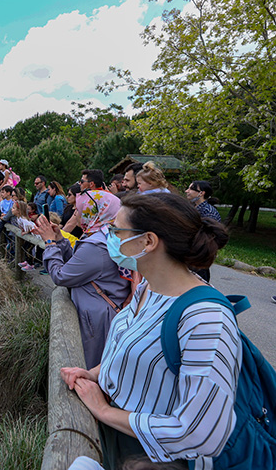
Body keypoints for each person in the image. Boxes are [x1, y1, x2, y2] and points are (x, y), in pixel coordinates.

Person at [62, 193, 237, 470]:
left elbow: (202, 434)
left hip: (156, 460)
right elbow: (135, 353)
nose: (109, 236)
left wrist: (104, 410)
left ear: (148, 241)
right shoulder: (147, 288)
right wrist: (94, 374)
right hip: (121, 442)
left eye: (116, 230)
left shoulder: (206, 318)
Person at [32, 188, 129, 368]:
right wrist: (60, 238)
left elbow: (61, 276)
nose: (75, 214)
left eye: (79, 210)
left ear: (92, 211)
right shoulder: (106, 235)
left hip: (96, 321)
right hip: (104, 311)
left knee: (91, 367)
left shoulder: (96, 246)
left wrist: (50, 243)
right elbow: (78, 265)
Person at [0, 185, 14, 250]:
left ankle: (9, 244)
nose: (2, 194)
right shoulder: (2, 202)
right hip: (3, 218)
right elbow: (1, 211)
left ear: (8, 193)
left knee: (9, 233)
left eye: (3, 192)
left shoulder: (12, 202)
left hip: (10, 219)